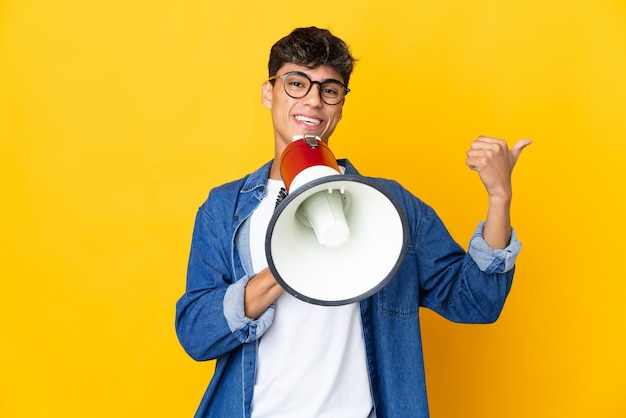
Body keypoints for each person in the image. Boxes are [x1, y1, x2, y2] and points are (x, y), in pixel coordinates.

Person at [175, 26, 531, 418]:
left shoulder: (390, 207)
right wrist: (289, 263)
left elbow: (476, 302)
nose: (313, 101)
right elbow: (196, 333)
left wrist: (500, 199)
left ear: (341, 105)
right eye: (296, 83)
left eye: (329, 89)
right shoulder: (224, 208)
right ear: (268, 92)